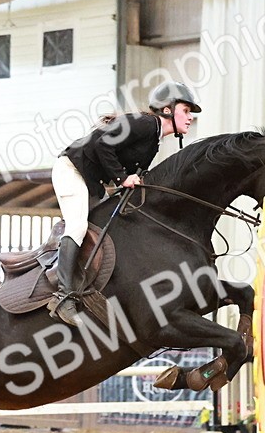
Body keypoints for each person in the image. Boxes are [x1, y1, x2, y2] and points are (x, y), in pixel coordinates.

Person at [48, 80, 201, 325]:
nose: (190, 117)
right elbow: (102, 144)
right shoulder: (145, 124)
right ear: (167, 109)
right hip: (71, 170)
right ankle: (64, 296)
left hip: (90, 180)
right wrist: (122, 177)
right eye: (186, 110)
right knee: (77, 226)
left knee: (104, 227)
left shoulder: (154, 139)